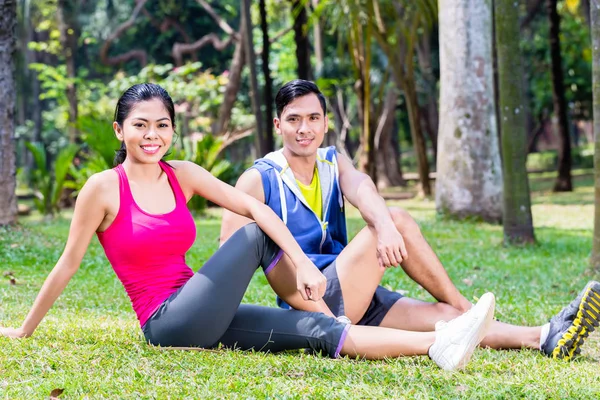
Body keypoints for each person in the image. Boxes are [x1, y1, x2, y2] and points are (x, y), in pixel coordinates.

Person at [0, 83, 498, 371]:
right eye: (140, 125)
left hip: (201, 307)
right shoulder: (102, 188)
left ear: (172, 130)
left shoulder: (185, 174)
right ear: (120, 130)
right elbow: (67, 265)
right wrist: (25, 329)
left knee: (320, 332)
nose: (152, 136)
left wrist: (300, 262)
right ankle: (367, 316)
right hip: (166, 321)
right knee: (256, 234)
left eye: (162, 126)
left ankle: (440, 344)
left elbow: (255, 208)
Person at [220, 79, 600, 361]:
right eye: (294, 119)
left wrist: (382, 225)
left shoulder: (332, 161)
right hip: (313, 302)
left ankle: (545, 336)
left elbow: (362, 187)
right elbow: (229, 254)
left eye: (313, 118)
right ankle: (468, 307)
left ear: (325, 123)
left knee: (445, 317)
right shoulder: (259, 178)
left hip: (354, 292)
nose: (304, 129)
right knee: (400, 219)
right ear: (277, 124)